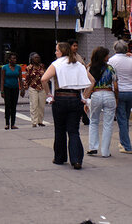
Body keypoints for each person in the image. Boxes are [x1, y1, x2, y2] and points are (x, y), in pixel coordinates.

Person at [41, 41, 94, 169]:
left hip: (60, 98)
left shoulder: (56, 64)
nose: (55, 52)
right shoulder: (79, 65)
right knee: (74, 131)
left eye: (57, 50)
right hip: (75, 98)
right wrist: (84, 97)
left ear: (62, 52)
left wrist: (49, 94)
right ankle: (76, 160)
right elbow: (92, 81)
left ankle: (59, 157)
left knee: (59, 130)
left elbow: (43, 79)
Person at [107, 40, 132, 153]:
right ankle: (123, 142)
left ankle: (127, 146)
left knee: (121, 119)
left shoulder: (111, 60)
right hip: (131, 91)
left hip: (119, 91)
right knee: (125, 118)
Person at [85, 46, 118, 157]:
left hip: (96, 94)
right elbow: (115, 85)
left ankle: (93, 147)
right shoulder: (110, 68)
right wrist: (116, 98)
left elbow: (88, 84)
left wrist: (86, 99)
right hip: (109, 94)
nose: (108, 57)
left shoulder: (89, 68)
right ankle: (105, 151)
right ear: (103, 57)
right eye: (107, 55)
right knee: (108, 124)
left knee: (93, 121)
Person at [22, 52, 47, 127]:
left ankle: (40, 121)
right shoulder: (29, 68)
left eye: (38, 57)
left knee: (41, 105)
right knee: (34, 105)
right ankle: (34, 121)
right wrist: (24, 88)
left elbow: (46, 76)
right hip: (33, 88)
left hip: (42, 87)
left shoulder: (42, 66)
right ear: (32, 59)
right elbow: (27, 79)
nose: (37, 59)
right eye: (35, 57)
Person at [1, 53, 22, 129]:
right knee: (7, 105)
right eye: (13, 58)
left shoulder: (18, 67)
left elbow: (20, 78)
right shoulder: (4, 68)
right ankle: (7, 123)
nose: (14, 60)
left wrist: (22, 88)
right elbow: (2, 79)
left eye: (15, 58)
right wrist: (2, 90)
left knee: (14, 106)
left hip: (15, 88)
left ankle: (13, 124)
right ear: (9, 60)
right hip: (7, 88)